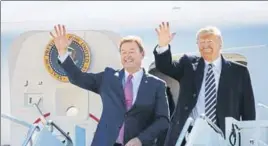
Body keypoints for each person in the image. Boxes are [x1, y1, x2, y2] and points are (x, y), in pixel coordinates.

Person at [50, 24, 170, 146]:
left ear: (142, 54)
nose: (127, 55)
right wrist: (63, 52)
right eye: (123, 52)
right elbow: (78, 78)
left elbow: (163, 120)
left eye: (131, 51)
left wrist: (141, 139)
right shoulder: (108, 78)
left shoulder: (157, 85)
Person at [153, 22, 256, 146]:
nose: (205, 46)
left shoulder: (238, 72)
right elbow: (166, 67)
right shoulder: (188, 65)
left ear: (220, 43)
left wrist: (247, 140)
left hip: (225, 137)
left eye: (209, 42)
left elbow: (248, 110)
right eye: (201, 42)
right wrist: (163, 46)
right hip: (190, 135)